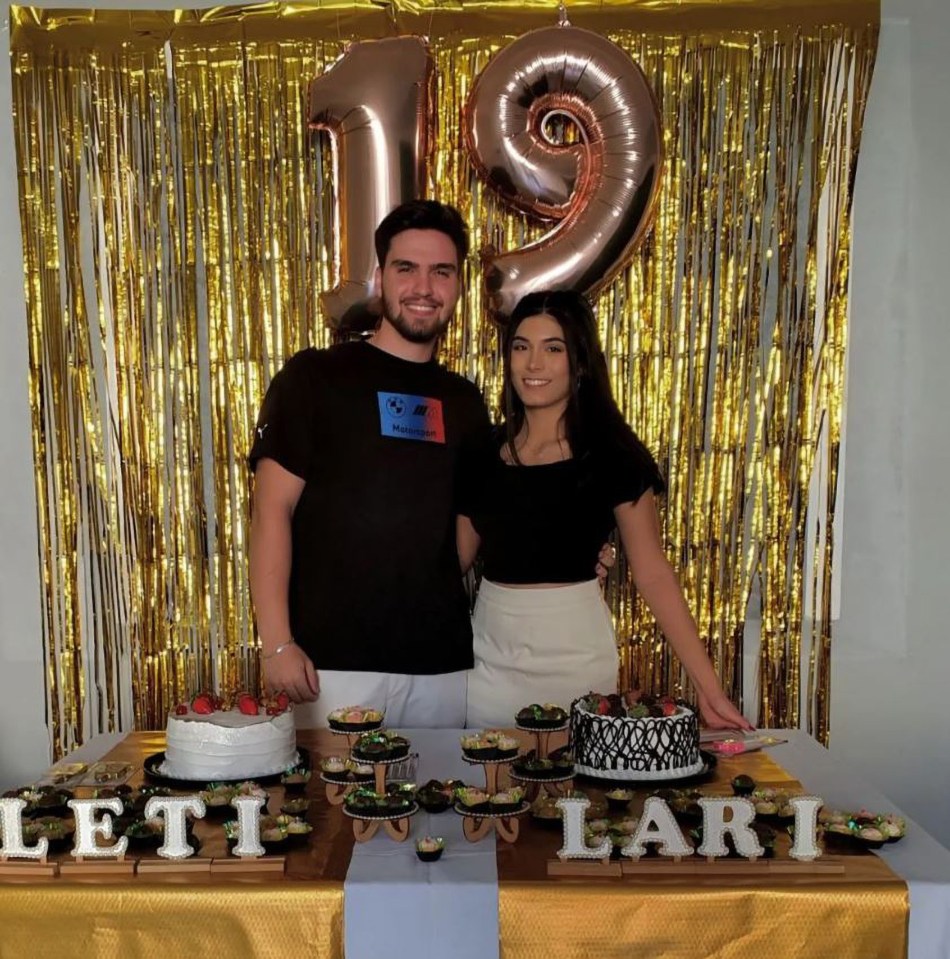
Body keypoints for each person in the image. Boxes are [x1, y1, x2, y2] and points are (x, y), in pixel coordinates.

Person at [457, 289, 752, 732]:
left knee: (577, 799)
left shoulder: (612, 456)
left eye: (552, 348)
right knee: (492, 792)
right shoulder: (482, 452)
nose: (533, 364)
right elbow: (453, 562)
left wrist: (709, 689)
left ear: (579, 363)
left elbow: (652, 573)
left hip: (577, 662)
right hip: (488, 663)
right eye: (521, 347)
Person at [248, 200, 492, 728]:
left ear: (458, 286)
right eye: (407, 268)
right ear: (381, 278)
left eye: (441, 271)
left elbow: (471, 527)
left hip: (440, 668)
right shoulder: (314, 377)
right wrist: (277, 643)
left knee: (441, 810)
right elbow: (271, 510)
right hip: (330, 667)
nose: (423, 287)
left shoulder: (466, 402)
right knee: (333, 811)